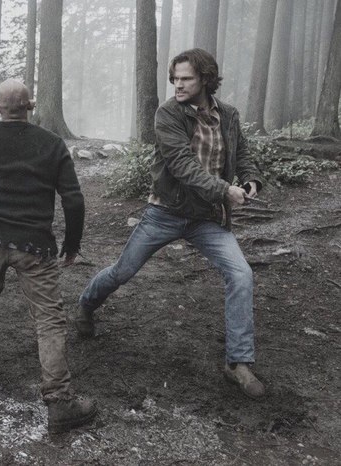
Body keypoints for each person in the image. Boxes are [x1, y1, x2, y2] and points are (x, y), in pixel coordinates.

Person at [76, 49, 265, 399]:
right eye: (175, 78)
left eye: (186, 78)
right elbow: (181, 165)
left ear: (205, 79)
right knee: (122, 272)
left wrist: (250, 179)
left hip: (208, 218)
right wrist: (225, 190)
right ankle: (86, 304)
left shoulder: (228, 114)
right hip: (166, 213)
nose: (177, 84)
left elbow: (242, 154)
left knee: (241, 275)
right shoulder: (168, 113)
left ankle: (238, 362)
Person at [0, 79, 97, 433]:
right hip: (34, 244)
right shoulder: (52, 143)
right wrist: (72, 244)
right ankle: (60, 401)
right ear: (31, 105)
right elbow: (73, 199)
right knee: (49, 317)